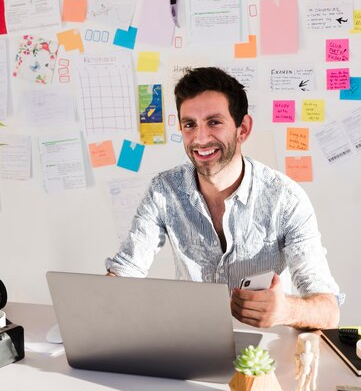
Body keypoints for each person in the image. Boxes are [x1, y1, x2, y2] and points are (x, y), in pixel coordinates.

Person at [106, 67, 343, 330]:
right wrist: (96, 309)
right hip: (191, 343)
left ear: (243, 129)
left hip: (263, 355)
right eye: (189, 125)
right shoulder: (164, 190)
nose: (200, 138)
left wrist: (286, 310)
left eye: (214, 122)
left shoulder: (286, 199)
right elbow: (127, 271)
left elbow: (329, 312)